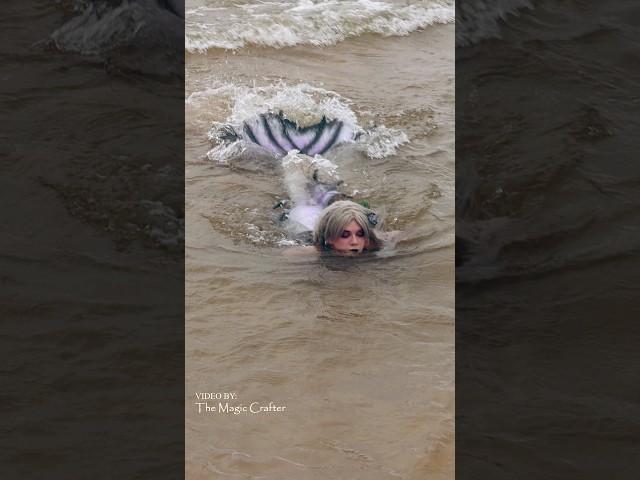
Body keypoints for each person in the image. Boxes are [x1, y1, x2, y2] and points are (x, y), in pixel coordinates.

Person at [284, 200, 398, 256]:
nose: (354, 242)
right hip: (301, 215)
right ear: (329, 238)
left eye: (360, 234)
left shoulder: (372, 243)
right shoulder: (317, 249)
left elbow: (397, 234)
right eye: (345, 235)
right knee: (299, 197)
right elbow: (288, 254)